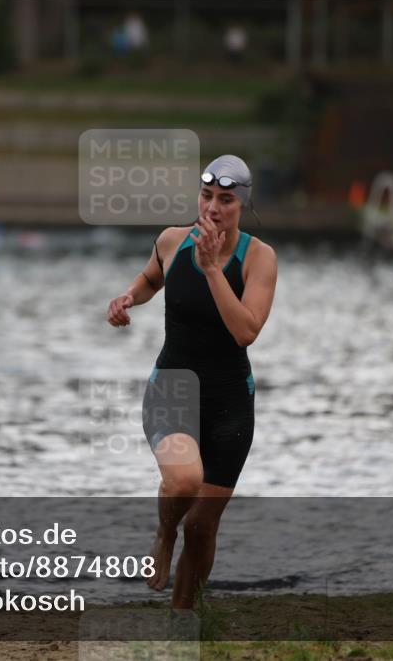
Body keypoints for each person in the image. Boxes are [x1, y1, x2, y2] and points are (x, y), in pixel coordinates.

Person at [106, 155, 278, 611]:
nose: (213, 208)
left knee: (202, 528)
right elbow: (150, 278)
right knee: (184, 482)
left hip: (229, 403)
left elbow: (245, 331)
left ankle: (182, 625)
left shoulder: (259, 259)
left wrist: (214, 270)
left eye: (225, 200)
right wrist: (128, 297)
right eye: (206, 197)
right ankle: (164, 533)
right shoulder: (171, 241)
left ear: (242, 204)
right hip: (173, 389)